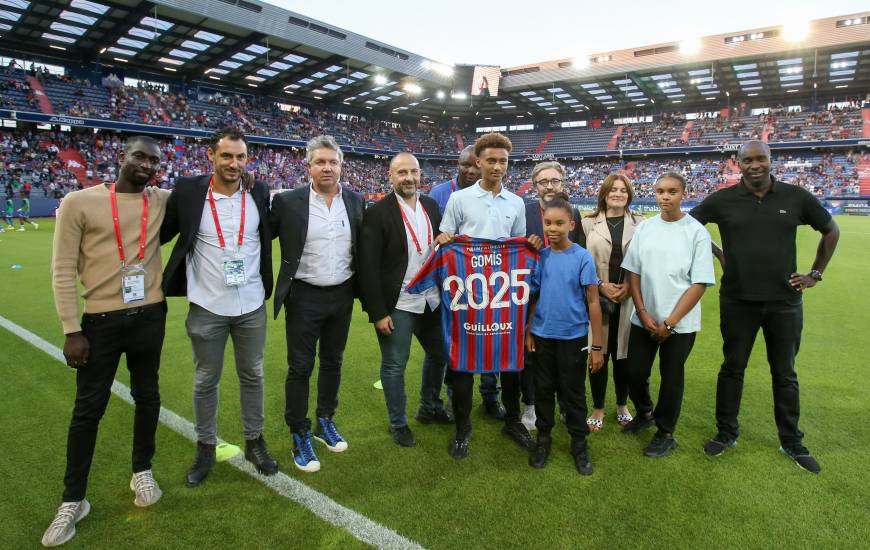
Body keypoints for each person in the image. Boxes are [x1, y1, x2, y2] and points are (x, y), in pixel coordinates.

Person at [43, 136, 169, 547]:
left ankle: (142, 470)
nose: (146, 165)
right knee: (87, 409)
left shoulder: (162, 199)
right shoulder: (79, 202)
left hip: (150, 315)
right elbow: (62, 268)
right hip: (99, 321)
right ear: (122, 157)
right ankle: (73, 499)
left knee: (148, 397)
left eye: (154, 161)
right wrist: (70, 329)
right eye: (140, 156)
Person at [690, 140, 839, 473]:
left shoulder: (795, 196)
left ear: (771, 161)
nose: (755, 165)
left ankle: (792, 441)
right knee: (732, 368)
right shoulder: (723, 199)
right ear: (737, 163)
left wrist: (815, 273)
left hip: (784, 302)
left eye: (761, 159)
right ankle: (726, 433)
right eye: (747, 160)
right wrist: (719, 253)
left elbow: (831, 229)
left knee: (784, 373)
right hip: (738, 300)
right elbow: (691, 226)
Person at [161, 127, 278, 487]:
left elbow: (270, 233)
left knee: (253, 375)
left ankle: (255, 442)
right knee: (205, 379)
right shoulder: (188, 191)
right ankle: (205, 447)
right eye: (226, 155)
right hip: (207, 304)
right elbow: (160, 232)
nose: (233, 163)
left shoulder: (259, 191)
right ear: (211, 156)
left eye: (240, 156)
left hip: (251, 303)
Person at [435, 132, 543, 458]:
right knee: (465, 366)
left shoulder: (516, 203)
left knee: (510, 365)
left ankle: (512, 421)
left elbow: (519, 248)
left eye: (503, 161)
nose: (497, 166)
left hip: (504, 299)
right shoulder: (459, 200)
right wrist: (444, 238)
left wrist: (531, 247)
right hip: (468, 296)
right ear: (478, 162)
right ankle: (463, 428)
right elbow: (445, 236)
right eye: (491, 160)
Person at [270, 135, 365, 473]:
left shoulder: (355, 201)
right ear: (308, 166)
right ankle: (299, 431)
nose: (327, 167)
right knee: (300, 367)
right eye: (320, 162)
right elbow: (256, 235)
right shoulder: (288, 201)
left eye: (333, 162)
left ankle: (326, 419)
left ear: (341, 166)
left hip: (341, 294)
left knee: (333, 362)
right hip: (304, 295)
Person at [620, 172, 715, 457]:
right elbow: (633, 271)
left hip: (680, 324)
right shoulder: (646, 228)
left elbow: (699, 283)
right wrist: (643, 311)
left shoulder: (696, 232)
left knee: (672, 377)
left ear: (683, 194)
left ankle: (666, 432)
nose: (665, 196)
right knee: (634, 373)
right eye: (660, 191)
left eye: (672, 191)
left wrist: (670, 323)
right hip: (644, 318)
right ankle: (645, 412)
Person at [359, 153, 449, 447]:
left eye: (413, 172)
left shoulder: (431, 206)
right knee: (394, 365)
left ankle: (429, 407)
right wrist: (377, 312)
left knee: (440, 355)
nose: (408, 177)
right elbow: (367, 267)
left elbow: (436, 248)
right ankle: (398, 422)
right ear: (390, 176)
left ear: (420, 174)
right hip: (397, 303)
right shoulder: (377, 213)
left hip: (430, 299)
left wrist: (443, 240)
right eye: (402, 173)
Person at [525, 192, 604, 475]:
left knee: (573, 394)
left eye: (559, 223)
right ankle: (543, 439)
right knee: (543, 390)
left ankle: (579, 444)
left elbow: (593, 301)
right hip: (543, 336)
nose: (552, 229)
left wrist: (597, 347)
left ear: (572, 224)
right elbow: (534, 297)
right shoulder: (540, 257)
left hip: (573, 338)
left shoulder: (582, 257)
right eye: (548, 223)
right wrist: (529, 329)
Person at [428, 145, 503, 420]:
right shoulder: (439, 195)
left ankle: (490, 396)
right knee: (456, 343)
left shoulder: (497, 196)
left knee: (491, 338)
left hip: (489, 284)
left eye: (474, 165)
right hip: (453, 285)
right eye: (465, 165)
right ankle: (453, 399)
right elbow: (433, 239)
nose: (470, 171)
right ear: (457, 164)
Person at [579, 174, 645, 431]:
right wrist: (600, 284)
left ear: (629, 194)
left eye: (623, 190)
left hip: (629, 298)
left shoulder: (641, 223)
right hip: (597, 296)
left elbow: (644, 261)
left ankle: (621, 404)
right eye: (613, 189)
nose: (618, 193)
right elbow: (580, 261)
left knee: (624, 355)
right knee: (598, 352)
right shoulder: (586, 224)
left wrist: (629, 285)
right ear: (604, 194)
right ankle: (597, 407)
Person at [522, 161, 584, 431]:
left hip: (562, 293)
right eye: (543, 182)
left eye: (554, 181)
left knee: (563, 353)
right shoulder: (523, 212)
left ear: (563, 183)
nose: (549, 186)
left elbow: (578, 249)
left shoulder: (575, 213)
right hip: (531, 292)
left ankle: (564, 405)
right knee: (531, 352)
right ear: (535, 186)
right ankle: (531, 403)